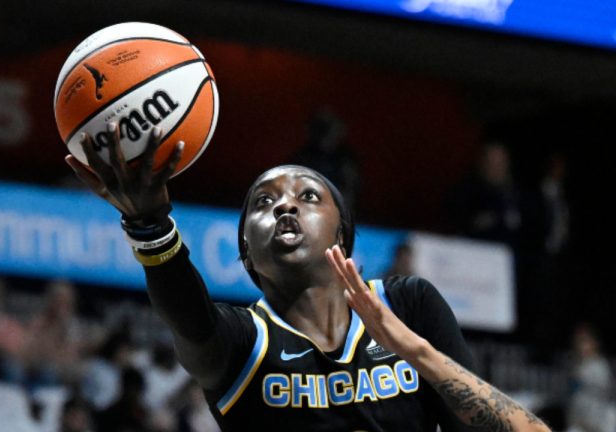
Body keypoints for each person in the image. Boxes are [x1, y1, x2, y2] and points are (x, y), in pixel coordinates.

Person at [65, 124, 550, 431]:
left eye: (309, 196)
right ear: (246, 255)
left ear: (344, 236)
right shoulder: (241, 341)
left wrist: (416, 351)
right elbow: (189, 318)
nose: (285, 204)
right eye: (263, 201)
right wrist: (151, 229)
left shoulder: (409, 306)